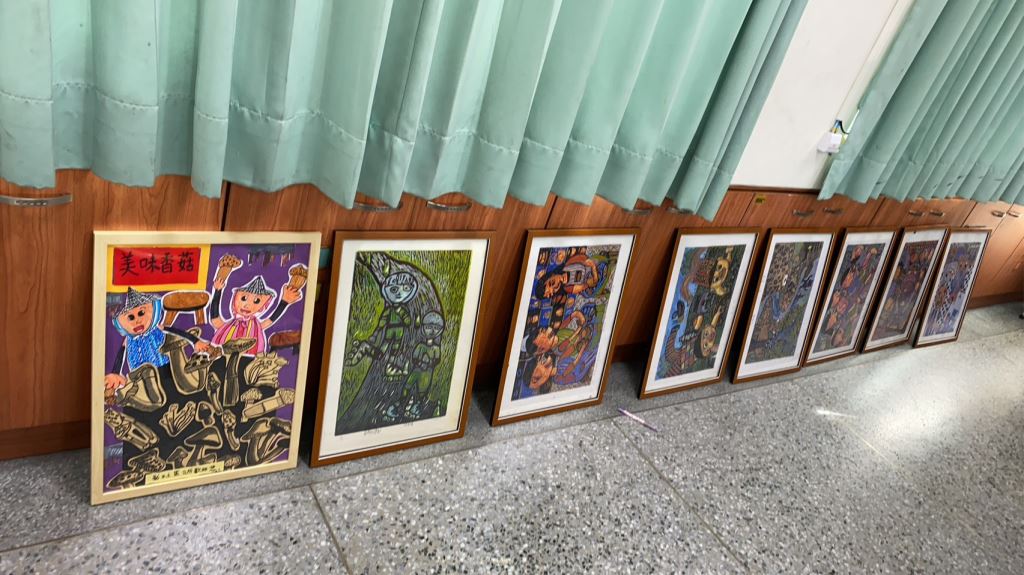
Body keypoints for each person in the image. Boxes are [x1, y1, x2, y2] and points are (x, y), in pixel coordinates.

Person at [210, 274, 302, 355]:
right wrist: (217, 291)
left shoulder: (255, 326)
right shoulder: (230, 325)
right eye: (243, 298)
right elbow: (216, 321)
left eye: (257, 300)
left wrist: (284, 302)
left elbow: (270, 320)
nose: (247, 305)